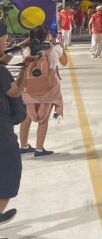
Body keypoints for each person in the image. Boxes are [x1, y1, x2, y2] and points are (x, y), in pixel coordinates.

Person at [0, 32, 33, 227]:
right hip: (2, 136)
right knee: (10, 174)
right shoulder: (1, 73)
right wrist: (25, 69)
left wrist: (20, 46)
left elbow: (3, 59)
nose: (5, 46)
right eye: (3, 42)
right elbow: (15, 92)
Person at [19, 27, 67, 157]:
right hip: (48, 89)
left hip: (29, 88)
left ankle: (23, 147)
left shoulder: (27, 50)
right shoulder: (55, 49)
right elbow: (65, 62)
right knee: (43, 118)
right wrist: (62, 46)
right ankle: (39, 149)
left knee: (27, 117)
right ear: (47, 37)